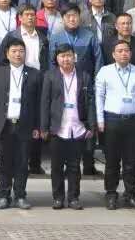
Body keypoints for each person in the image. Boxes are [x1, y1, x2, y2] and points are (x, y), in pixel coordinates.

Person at [95, 38, 135, 210]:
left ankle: (130, 195)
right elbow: (99, 97)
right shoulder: (105, 71)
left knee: (131, 161)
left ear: (130, 53)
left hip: (133, 121)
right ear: (113, 54)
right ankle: (111, 194)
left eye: (126, 50)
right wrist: (100, 119)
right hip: (111, 120)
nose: (123, 54)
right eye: (120, 51)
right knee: (112, 161)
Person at [0, 37, 41, 210]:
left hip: (24, 124)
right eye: (14, 51)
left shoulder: (34, 74)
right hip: (3, 124)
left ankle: (20, 195)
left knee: (22, 162)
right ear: (7, 54)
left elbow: (38, 103)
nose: (18, 54)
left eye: (21, 51)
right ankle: (3, 195)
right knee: (3, 162)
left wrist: (37, 126)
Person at [42, 44, 93, 210]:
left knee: (74, 167)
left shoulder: (84, 76)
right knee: (56, 167)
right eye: (62, 56)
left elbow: (90, 102)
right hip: (57, 128)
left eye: (69, 55)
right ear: (57, 58)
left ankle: (73, 198)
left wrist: (90, 125)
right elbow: (44, 103)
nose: (66, 59)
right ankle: (58, 198)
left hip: (77, 128)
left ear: (74, 57)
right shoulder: (50, 76)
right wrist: (44, 127)